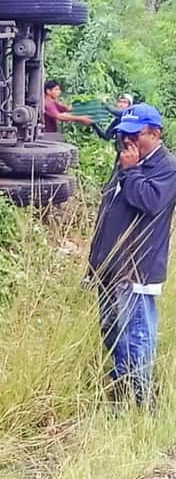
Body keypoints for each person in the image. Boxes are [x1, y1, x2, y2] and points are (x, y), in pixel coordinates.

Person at [88, 104, 176, 404]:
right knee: (112, 330)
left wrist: (132, 171)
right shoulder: (127, 160)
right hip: (111, 265)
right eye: (123, 134)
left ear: (155, 133)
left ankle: (140, 398)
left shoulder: (166, 167)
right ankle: (121, 386)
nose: (127, 140)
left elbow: (149, 202)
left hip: (137, 267)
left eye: (135, 134)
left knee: (137, 335)